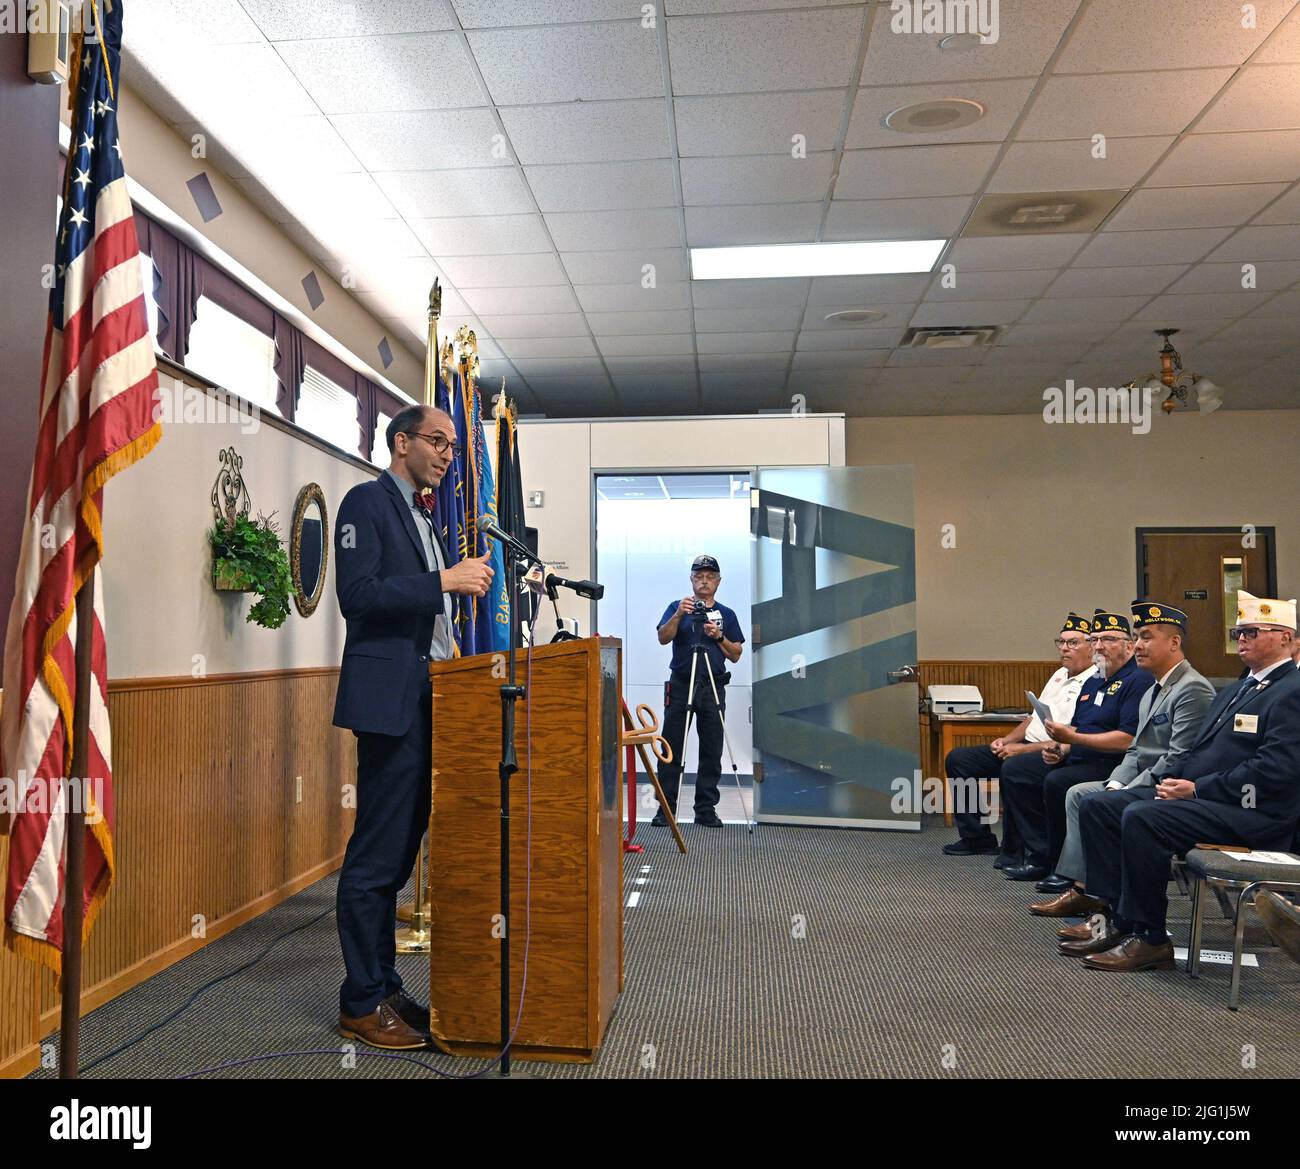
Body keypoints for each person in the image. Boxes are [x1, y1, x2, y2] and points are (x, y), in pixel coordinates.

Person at [331, 404, 494, 1048]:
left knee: (402, 848)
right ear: (400, 443)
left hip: (433, 699)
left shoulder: (425, 517)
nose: (448, 455)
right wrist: (443, 581)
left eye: (453, 446)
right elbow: (358, 595)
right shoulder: (364, 503)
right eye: (437, 441)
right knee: (376, 854)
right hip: (388, 702)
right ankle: (360, 999)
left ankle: (385, 983)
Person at [1066, 590, 1300, 972]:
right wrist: (1173, 780)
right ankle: (1116, 920)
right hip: (1214, 799)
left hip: (1255, 812)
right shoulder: (1242, 687)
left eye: (1252, 632)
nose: (1241, 638)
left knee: (1143, 818)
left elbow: (1273, 772)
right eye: (1238, 632)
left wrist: (1196, 789)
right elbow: (1199, 751)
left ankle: (1149, 938)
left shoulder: (1292, 691)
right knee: (1102, 806)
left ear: (1286, 638)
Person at [1029, 601, 1215, 918]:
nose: (1139, 645)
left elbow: (1178, 757)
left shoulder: (1191, 688)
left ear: (1174, 642)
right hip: (1138, 778)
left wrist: (1126, 788)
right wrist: (1117, 782)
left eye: (1146, 637)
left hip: (1165, 786)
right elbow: (1135, 751)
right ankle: (1083, 888)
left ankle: (1106, 903)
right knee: (1079, 794)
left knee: (1095, 801)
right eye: (1138, 637)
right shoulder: (1155, 688)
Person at [1000, 609, 1154, 881]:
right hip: (1080, 755)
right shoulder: (1095, 680)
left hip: (1113, 763)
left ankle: (1064, 868)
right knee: (1019, 770)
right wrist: (1059, 747)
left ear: (1129, 646)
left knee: (1059, 782)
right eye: (1094, 639)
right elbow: (1078, 727)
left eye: (1108, 639)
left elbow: (1127, 739)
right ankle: (1041, 853)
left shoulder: (1137, 680)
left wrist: (1073, 741)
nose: (1099, 646)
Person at [941, 613, 1096, 864]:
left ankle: (1020, 850)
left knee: (1014, 767)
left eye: (1073, 643)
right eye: (1061, 642)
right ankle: (976, 836)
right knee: (960, 759)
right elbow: (1033, 718)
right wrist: (1006, 740)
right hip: (1027, 744)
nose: (1064, 649)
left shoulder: (1094, 681)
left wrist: (1021, 751)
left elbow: (1073, 737)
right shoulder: (1059, 675)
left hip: (1052, 752)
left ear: (1091, 647)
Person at [652, 555, 745, 827]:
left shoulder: (726, 614)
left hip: (712, 686)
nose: (704, 580)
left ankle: (705, 809)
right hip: (681, 684)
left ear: (718, 581)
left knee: (711, 749)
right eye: (699, 576)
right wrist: (680, 614)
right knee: (671, 748)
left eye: (709, 576)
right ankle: (665, 809)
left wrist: (718, 636)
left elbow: (736, 654)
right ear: (691, 580)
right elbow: (662, 637)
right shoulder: (676, 607)